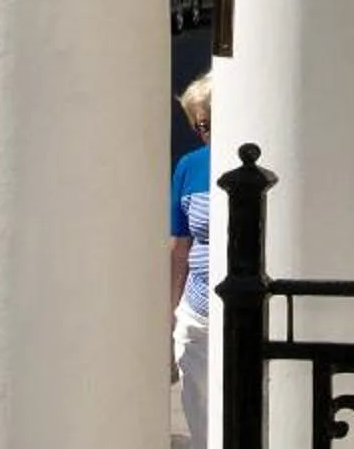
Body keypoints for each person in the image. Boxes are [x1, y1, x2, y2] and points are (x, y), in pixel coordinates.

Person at [168, 73, 214, 448]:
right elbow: (178, 244)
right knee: (196, 401)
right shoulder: (189, 166)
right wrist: (171, 310)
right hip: (197, 311)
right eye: (201, 126)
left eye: (212, 123)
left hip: (250, 311)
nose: (207, 135)